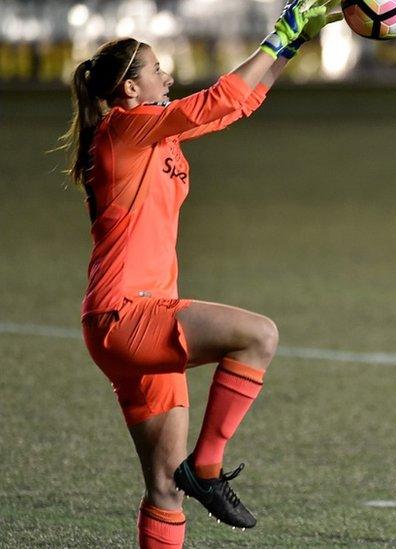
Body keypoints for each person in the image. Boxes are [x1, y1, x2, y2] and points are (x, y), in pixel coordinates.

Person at [57, 1, 341, 546]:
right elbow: (221, 97)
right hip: (130, 314)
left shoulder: (153, 134)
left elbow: (235, 106)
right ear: (129, 90)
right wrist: (278, 33)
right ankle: (207, 466)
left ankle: (194, 473)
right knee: (259, 335)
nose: (167, 74)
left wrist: (295, 42)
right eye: (155, 68)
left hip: (121, 320)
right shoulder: (123, 131)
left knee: (163, 487)